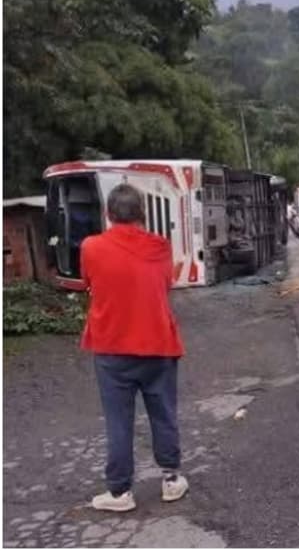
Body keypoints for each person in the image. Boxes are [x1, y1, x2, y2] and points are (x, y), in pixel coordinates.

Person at [80, 183, 188, 512]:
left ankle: (119, 493)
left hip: (111, 348)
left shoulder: (91, 247)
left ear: (108, 214)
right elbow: (165, 284)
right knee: (163, 414)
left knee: (118, 420)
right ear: (142, 213)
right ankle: (171, 479)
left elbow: (88, 282)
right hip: (158, 344)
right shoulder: (161, 247)